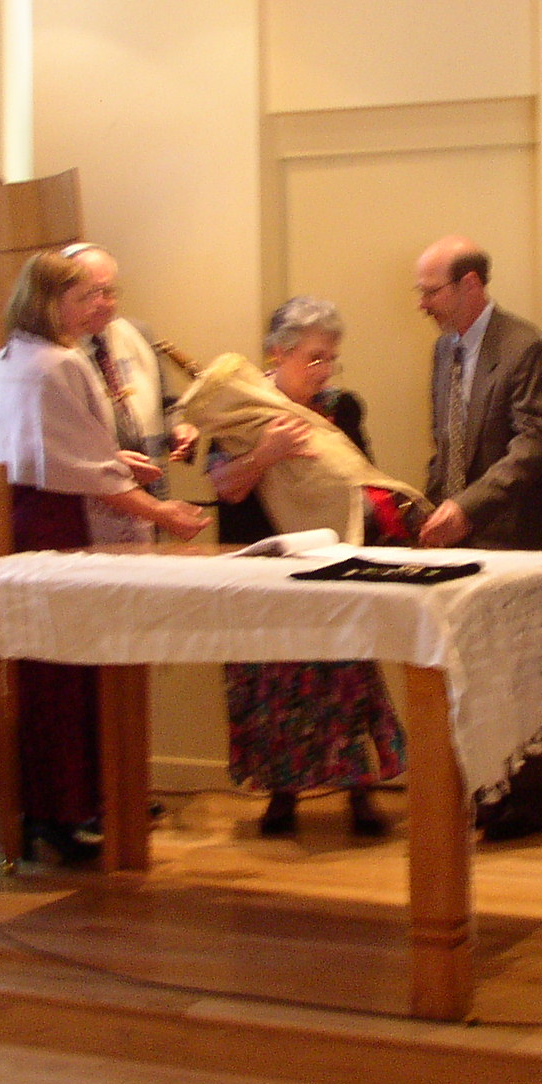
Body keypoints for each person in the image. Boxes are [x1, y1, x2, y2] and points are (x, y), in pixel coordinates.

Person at [0, 251, 205, 861]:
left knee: (40, 671)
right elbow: (75, 468)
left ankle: (35, 803)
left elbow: (42, 450)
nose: (102, 306)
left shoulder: (6, 360)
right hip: (58, 526)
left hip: (16, 522)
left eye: (105, 293)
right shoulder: (60, 363)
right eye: (86, 297)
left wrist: (110, 460)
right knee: (69, 674)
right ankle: (63, 810)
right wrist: (164, 513)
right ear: (48, 303)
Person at [204, 297, 407, 839]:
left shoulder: (342, 408)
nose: (324, 370)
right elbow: (226, 486)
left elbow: (361, 477)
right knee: (271, 680)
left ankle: (359, 790)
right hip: (261, 563)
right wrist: (266, 453)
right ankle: (281, 793)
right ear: (278, 352)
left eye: (330, 358)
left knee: (346, 674)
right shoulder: (241, 405)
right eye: (314, 358)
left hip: (329, 561)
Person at [414, 235, 542, 841]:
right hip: (464, 533)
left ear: (471, 285)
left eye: (431, 291)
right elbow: (447, 444)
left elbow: (533, 445)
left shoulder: (522, 344)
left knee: (524, 667)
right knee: (476, 668)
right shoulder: (442, 350)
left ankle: (529, 800)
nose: (423, 303)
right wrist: (429, 507)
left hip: (518, 530)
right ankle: (489, 788)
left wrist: (468, 506)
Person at [61, 242, 196, 495]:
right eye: (90, 293)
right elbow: (57, 442)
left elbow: (167, 405)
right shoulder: (56, 352)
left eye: (108, 292)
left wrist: (178, 429)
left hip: (149, 483)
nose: (101, 303)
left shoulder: (138, 334)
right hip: (93, 490)